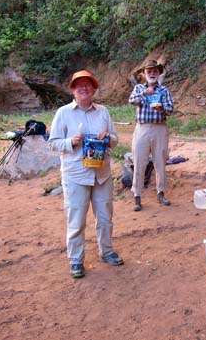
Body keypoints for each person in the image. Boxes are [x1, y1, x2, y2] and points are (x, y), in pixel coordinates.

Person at [49, 70, 123, 278]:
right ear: (73, 90)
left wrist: (108, 138)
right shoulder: (63, 113)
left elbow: (115, 139)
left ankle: (106, 252)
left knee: (105, 217)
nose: (84, 88)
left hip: (101, 173)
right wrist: (70, 141)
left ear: (94, 89)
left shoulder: (103, 111)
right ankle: (76, 260)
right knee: (77, 220)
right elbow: (53, 143)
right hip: (76, 174)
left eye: (88, 85)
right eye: (79, 85)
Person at [128, 60, 173, 211]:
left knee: (160, 161)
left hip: (160, 128)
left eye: (155, 71)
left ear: (159, 73)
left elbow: (170, 109)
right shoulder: (139, 88)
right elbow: (132, 101)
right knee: (139, 161)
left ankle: (161, 193)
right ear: (144, 74)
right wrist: (144, 93)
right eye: (149, 71)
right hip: (142, 128)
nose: (152, 74)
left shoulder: (164, 90)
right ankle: (137, 196)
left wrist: (161, 109)